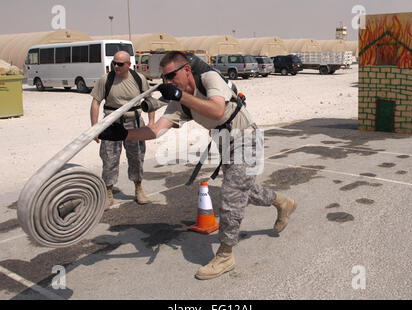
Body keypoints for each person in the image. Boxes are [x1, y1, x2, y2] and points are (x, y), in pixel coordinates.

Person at [98, 51, 297, 280]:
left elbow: (217, 110)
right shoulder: (179, 101)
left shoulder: (209, 79)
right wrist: (124, 134)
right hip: (225, 143)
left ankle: (225, 255)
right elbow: (155, 130)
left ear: (186, 70)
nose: (168, 82)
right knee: (245, 189)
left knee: (232, 194)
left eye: (172, 76)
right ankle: (283, 203)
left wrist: (180, 96)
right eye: (165, 78)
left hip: (247, 138)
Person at [90, 50, 155, 210]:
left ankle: (138, 188)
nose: (116, 66)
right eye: (114, 63)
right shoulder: (106, 79)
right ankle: (108, 193)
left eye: (120, 64)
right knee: (109, 158)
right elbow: (95, 103)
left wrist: (151, 122)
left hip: (134, 123)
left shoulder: (138, 79)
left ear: (128, 65)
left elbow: (150, 101)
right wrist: (95, 128)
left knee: (137, 157)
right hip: (111, 124)